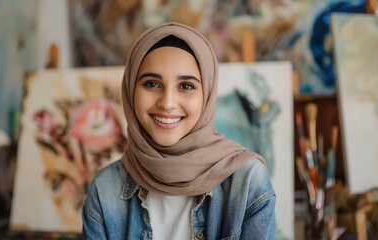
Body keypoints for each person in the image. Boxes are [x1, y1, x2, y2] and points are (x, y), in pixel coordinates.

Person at [82, 22, 276, 239]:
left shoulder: (249, 182)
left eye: (186, 86)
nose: (167, 103)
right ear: (130, 90)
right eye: (152, 84)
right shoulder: (105, 190)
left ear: (207, 94)